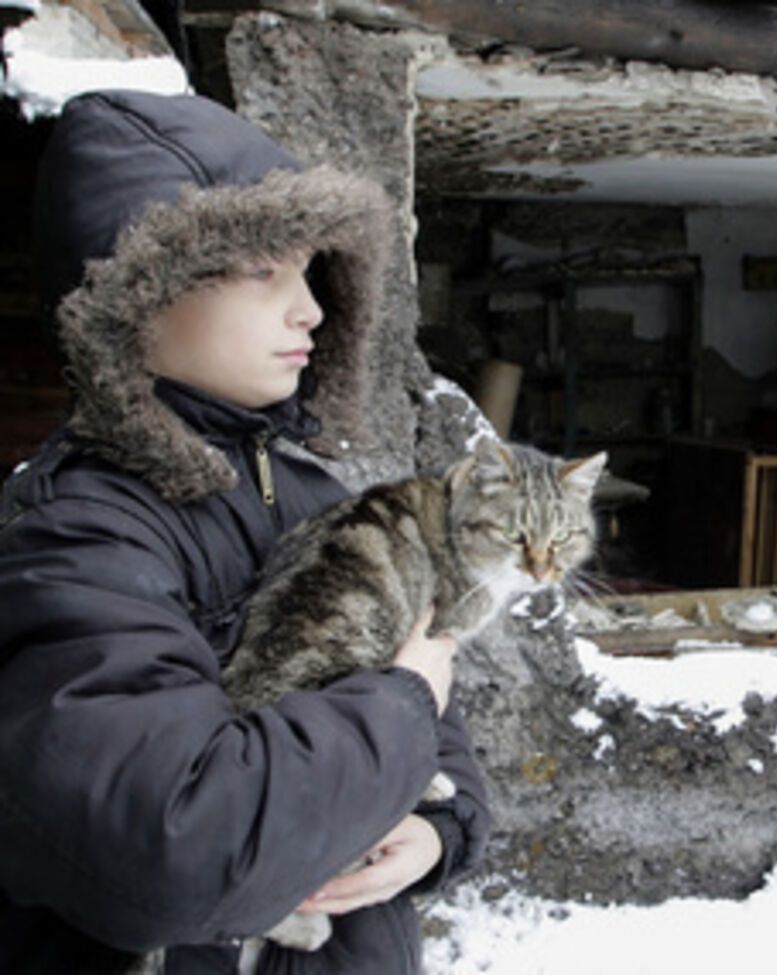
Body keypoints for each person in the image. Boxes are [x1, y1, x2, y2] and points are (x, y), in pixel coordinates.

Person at [0, 90, 490, 973]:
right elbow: (178, 843)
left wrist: (439, 823)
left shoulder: (308, 489)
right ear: (138, 287)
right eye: (264, 271)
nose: (309, 308)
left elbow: (421, 683)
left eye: (309, 271)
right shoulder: (79, 537)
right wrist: (403, 708)